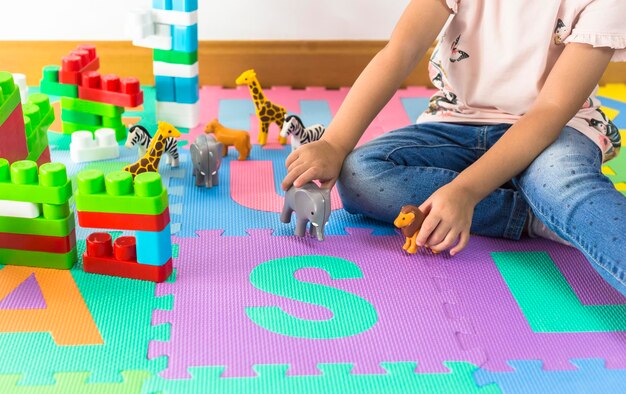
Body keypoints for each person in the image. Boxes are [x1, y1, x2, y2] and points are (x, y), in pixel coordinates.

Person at [281, 0, 626, 288]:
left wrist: (465, 191)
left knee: (563, 186)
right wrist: (336, 143)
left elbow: (549, 112)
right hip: (458, 121)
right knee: (359, 174)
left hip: (558, 128)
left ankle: (542, 198)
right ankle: (534, 216)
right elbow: (402, 50)